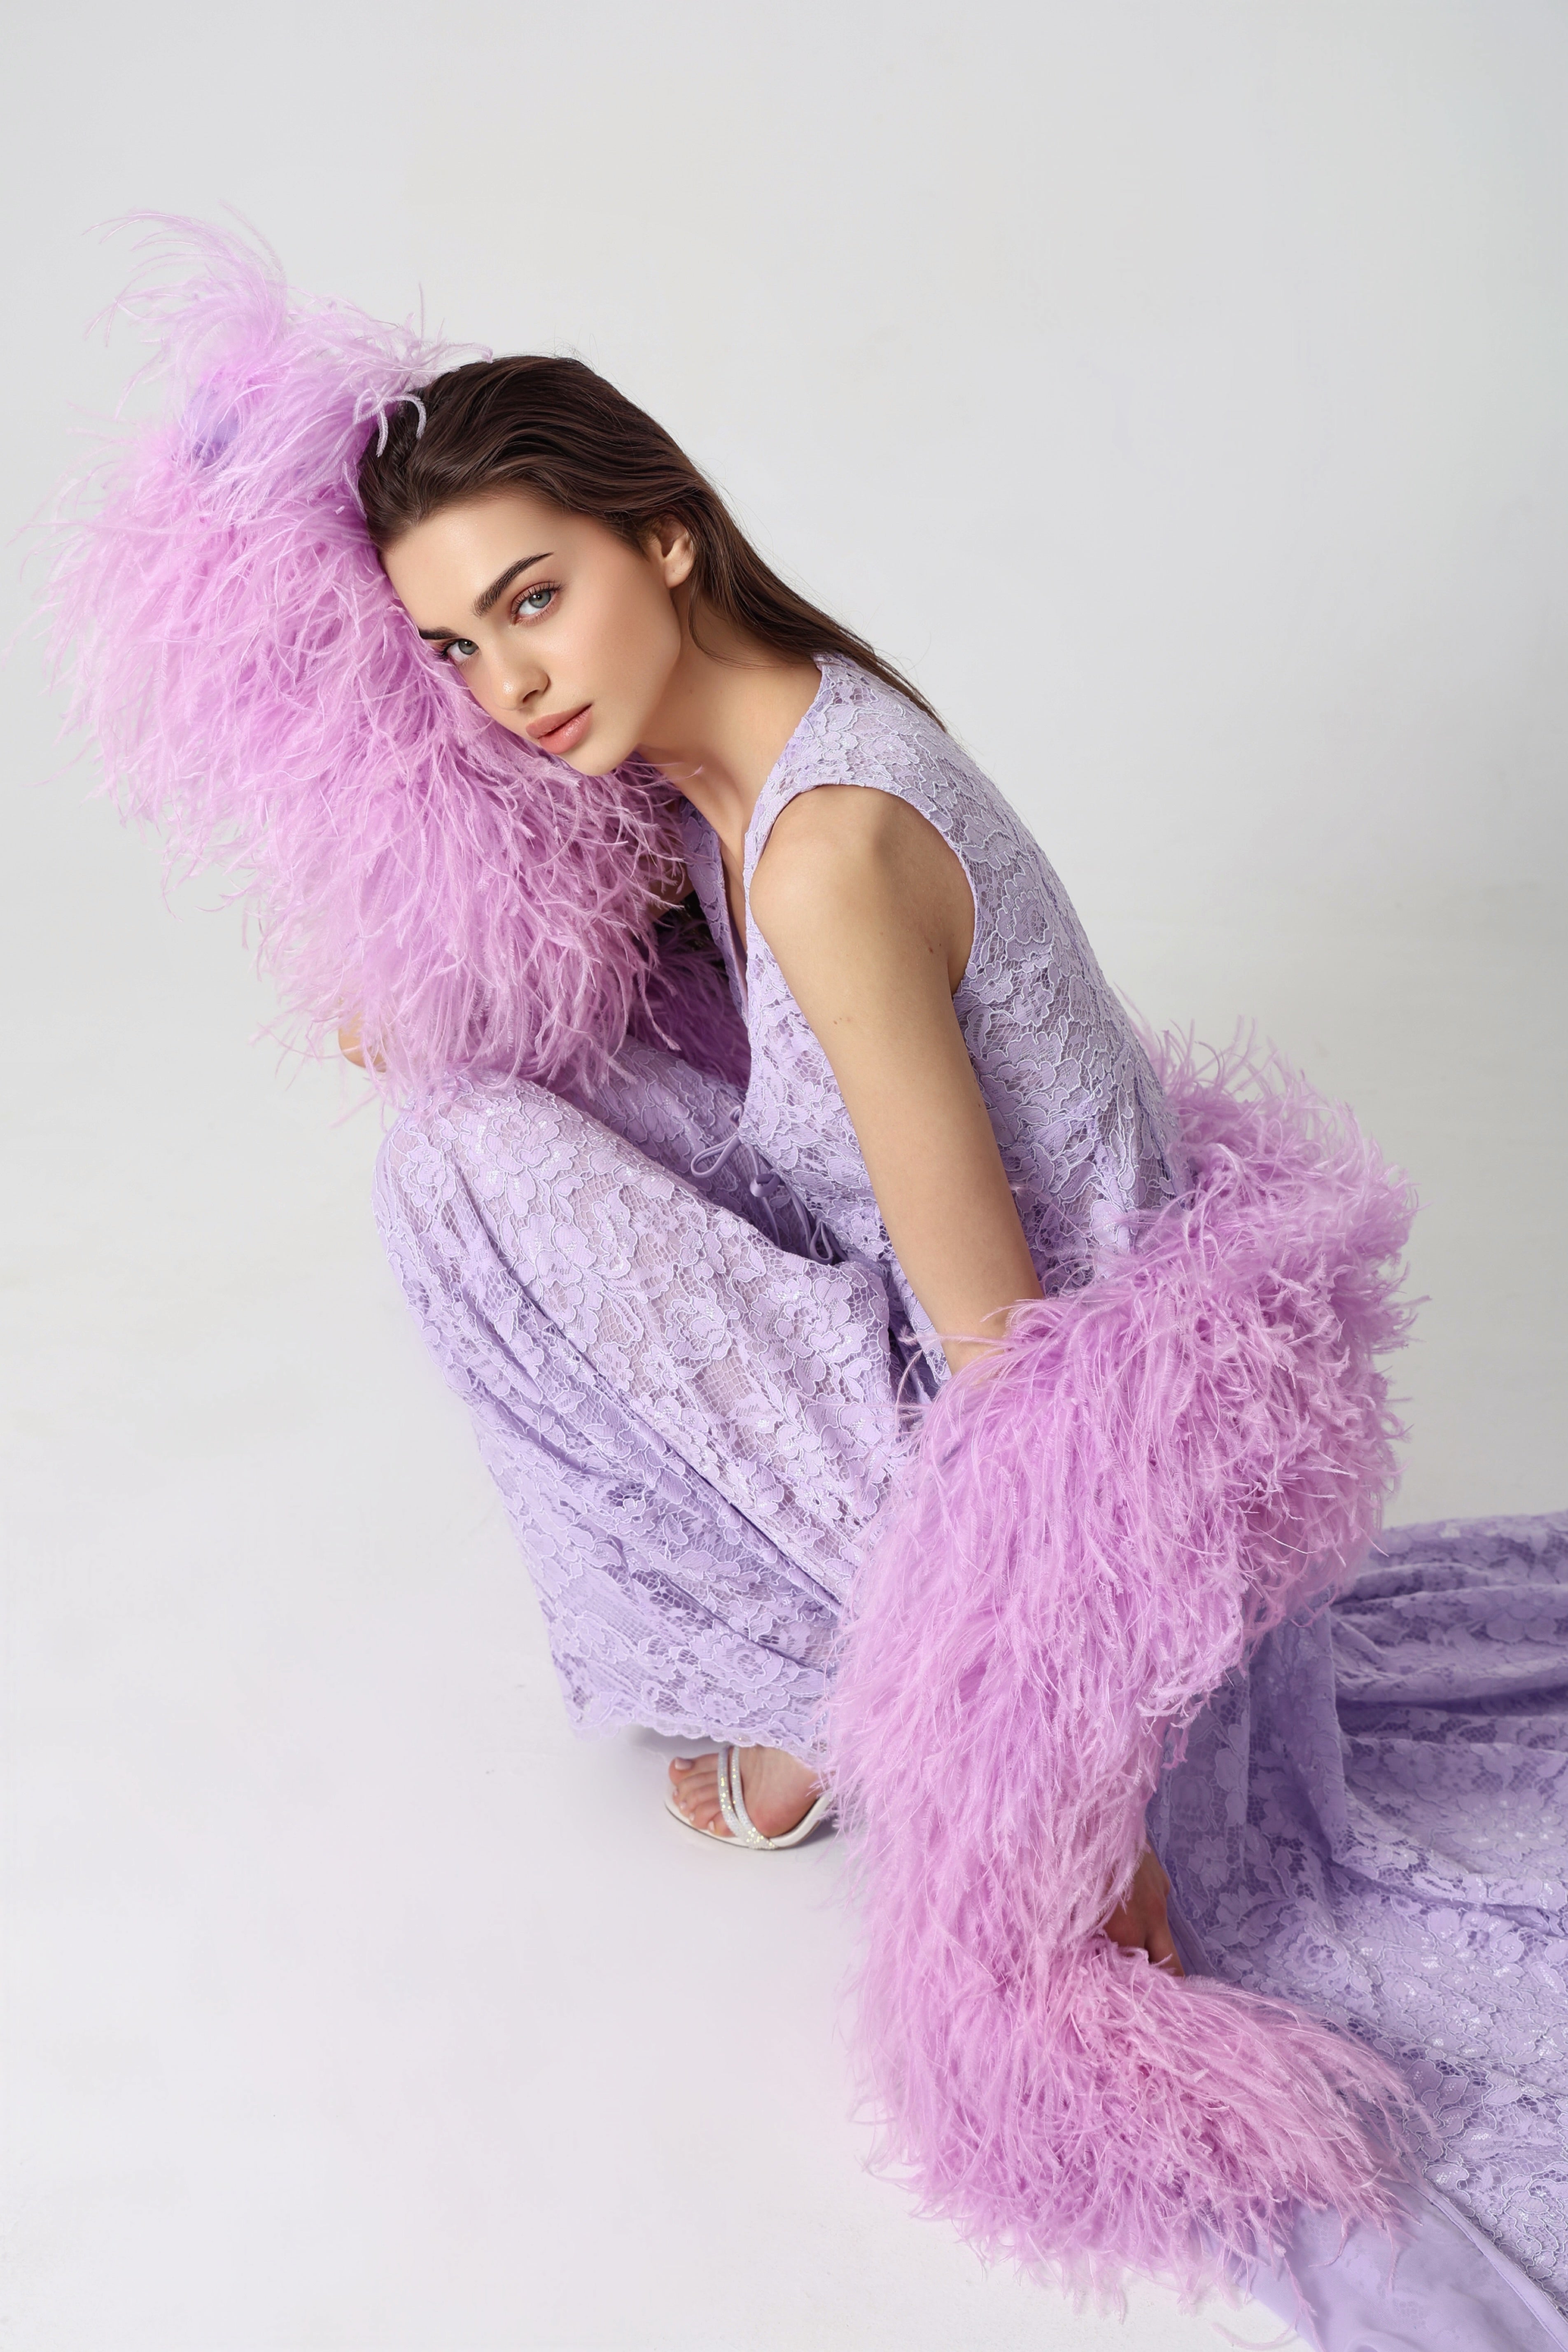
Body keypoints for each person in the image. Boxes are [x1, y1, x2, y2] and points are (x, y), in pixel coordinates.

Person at [51, 226, 1566, 2347]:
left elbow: (1012, 1361)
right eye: (458, 649)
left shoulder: (834, 845)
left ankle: (830, 1702)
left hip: (1065, 1423)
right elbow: (610, 1019)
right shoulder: (712, 765)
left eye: (535, 599)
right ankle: (825, 1690)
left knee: (463, 1172)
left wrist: (1077, 1791)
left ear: (664, 535)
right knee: (486, 1094)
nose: (511, 686)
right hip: (968, 1322)